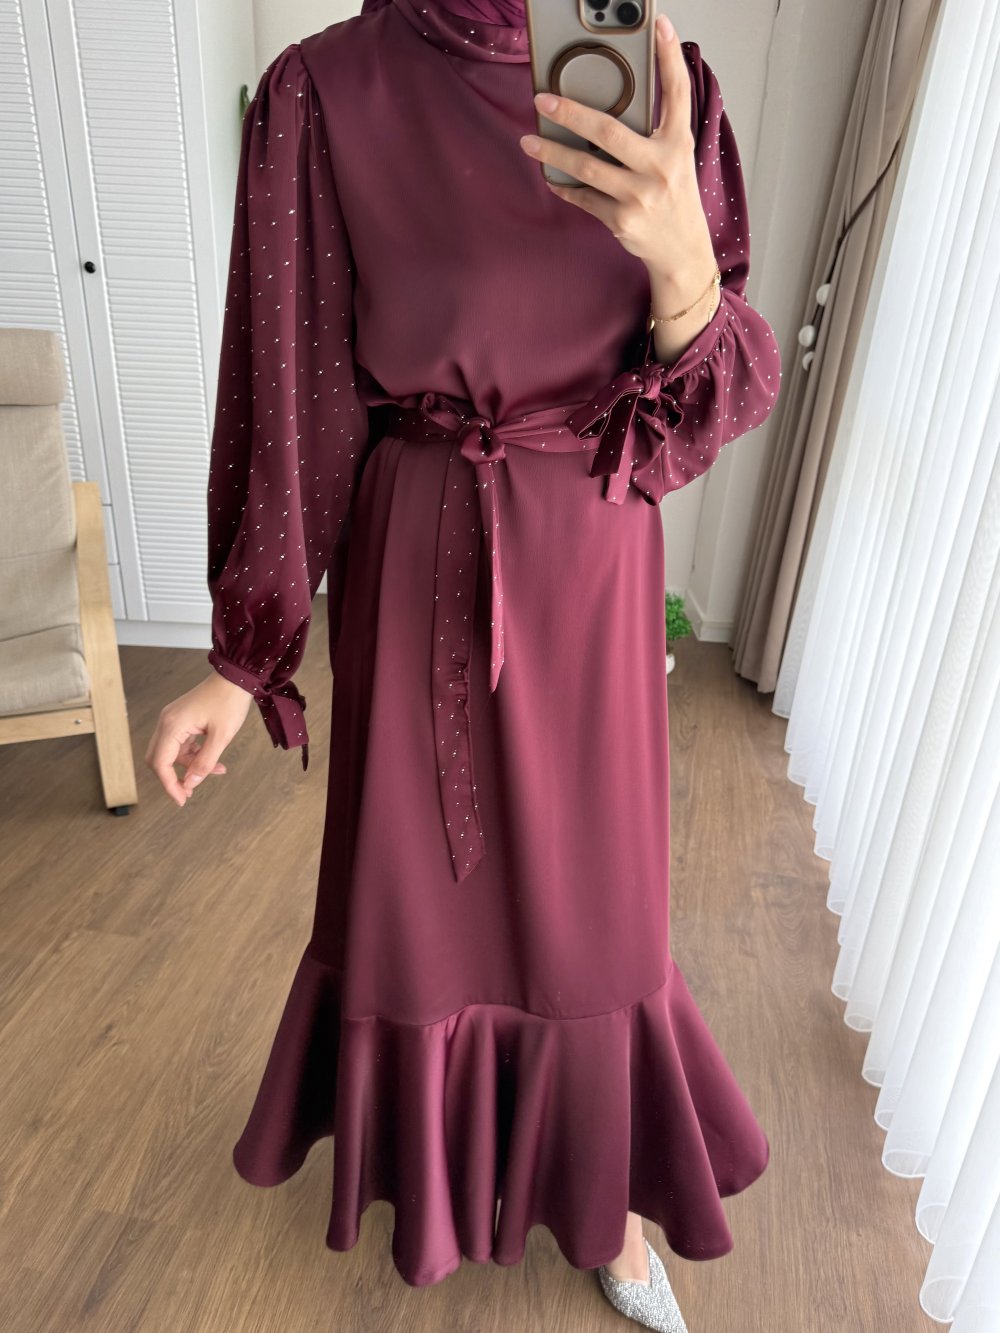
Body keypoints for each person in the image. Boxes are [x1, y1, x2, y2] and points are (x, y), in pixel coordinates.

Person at [146, 2, 780, 1328]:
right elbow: (299, 395)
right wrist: (244, 656)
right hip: (418, 546)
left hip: (593, 548)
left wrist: (682, 267)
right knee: (422, 903)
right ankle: (438, 1190)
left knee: (599, 914)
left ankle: (607, 1209)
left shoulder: (669, 79)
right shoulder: (324, 91)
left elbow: (701, 410)